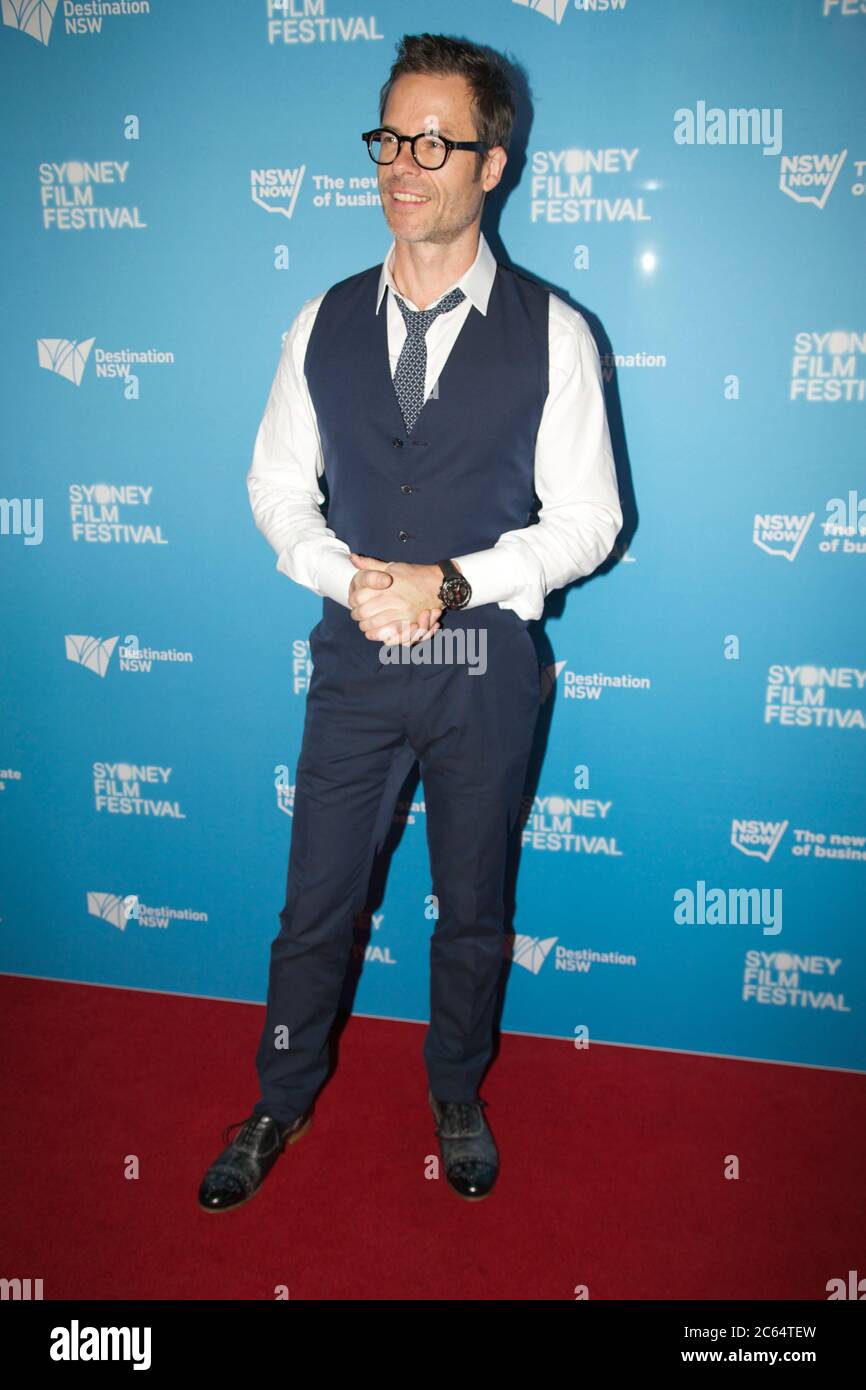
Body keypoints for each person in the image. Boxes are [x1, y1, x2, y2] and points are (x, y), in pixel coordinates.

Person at [198, 31, 622, 1213]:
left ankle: (455, 1091)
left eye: (436, 141)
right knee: (313, 902)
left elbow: (589, 520)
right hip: (355, 659)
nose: (404, 161)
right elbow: (276, 488)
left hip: (482, 662)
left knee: (474, 901)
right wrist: (349, 580)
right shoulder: (319, 318)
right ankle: (278, 1098)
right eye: (391, 135)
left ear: (492, 164)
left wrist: (449, 581)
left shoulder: (554, 332)